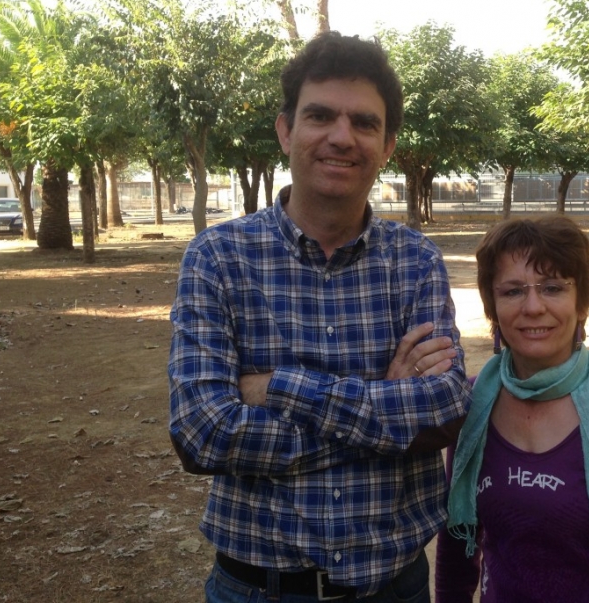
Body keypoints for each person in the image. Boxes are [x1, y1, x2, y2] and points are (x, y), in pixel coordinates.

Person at [168, 32, 471, 603]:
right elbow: (202, 434)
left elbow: (443, 411)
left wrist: (277, 388)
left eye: (364, 122)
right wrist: (382, 405)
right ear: (286, 130)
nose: (342, 137)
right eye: (320, 116)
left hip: (395, 588)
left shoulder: (415, 260)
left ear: (386, 145)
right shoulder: (217, 258)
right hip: (257, 588)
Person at [435, 216, 589, 602]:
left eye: (553, 287)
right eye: (513, 291)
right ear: (493, 307)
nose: (533, 307)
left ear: (583, 302)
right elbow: (457, 546)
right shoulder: (471, 406)